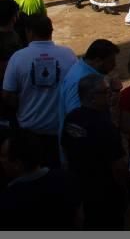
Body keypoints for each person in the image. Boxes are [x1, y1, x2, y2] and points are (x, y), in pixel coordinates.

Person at [3, 14, 77, 168]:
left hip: (28, 128)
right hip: (58, 127)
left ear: (29, 33)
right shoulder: (68, 55)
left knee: (30, 171)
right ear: (51, 31)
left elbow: (8, 94)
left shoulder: (18, 57)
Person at [61, 74, 128, 229]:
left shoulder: (71, 118)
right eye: (105, 92)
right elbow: (118, 166)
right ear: (92, 97)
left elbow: (65, 148)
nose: (109, 94)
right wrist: (122, 190)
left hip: (79, 190)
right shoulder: (106, 126)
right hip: (105, 195)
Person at [0, 131, 81, 230]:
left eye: (3, 156)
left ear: (17, 163)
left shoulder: (8, 200)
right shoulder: (67, 179)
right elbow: (79, 217)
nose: (1, 160)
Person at [58, 38, 119, 133]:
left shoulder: (84, 69)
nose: (114, 65)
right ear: (98, 61)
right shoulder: (79, 80)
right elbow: (76, 122)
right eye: (111, 61)